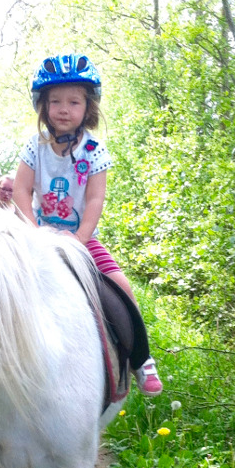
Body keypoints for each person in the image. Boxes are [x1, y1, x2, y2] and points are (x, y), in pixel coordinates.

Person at [12, 53, 163, 396]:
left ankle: (142, 360)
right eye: (55, 102)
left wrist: (80, 238)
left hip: (82, 239)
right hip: (36, 234)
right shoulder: (34, 147)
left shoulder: (94, 150)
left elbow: (95, 199)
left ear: (87, 108)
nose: (64, 109)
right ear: (44, 106)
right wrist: (34, 231)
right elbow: (21, 190)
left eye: (73, 101)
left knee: (121, 287)